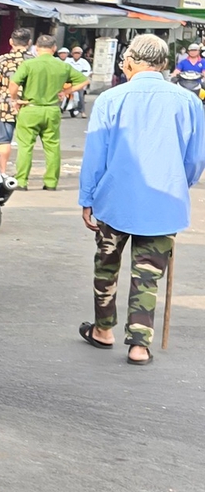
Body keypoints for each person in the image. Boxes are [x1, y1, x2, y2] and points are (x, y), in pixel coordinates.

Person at [77, 34, 205, 366]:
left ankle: (103, 330)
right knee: (147, 275)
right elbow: (195, 159)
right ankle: (139, 345)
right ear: (163, 64)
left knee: (106, 265)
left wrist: (87, 197)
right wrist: (179, 184)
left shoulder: (110, 99)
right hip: (164, 202)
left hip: (113, 201)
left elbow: (95, 155)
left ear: (132, 61)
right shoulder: (188, 101)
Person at [10, 33, 85, 190]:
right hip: (52, 110)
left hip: (31, 109)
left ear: (36, 48)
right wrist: (66, 92)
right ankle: (51, 183)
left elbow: (14, 84)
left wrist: (15, 99)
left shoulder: (28, 64)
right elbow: (84, 80)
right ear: (54, 48)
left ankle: (22, 181)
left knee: (25, 147)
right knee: (52, 147)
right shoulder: (63, 66)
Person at [0, 27, 32, 180]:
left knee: (3, 140)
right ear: (29, 43)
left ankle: (2, 172)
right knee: (26, 143)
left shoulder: (3, 60)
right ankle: (23, 175)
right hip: (27, 105)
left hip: (5, 105)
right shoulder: (34, 61)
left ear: (11, 42)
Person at [62, 46, 91, 119]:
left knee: (81, 95)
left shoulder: (84, 62)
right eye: (75, 53)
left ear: (81, 54)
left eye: (78, 53)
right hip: (68, 81)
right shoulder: (67, 61)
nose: (76, 54)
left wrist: (80, 78)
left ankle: (83, 112)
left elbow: (87, 72)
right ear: (72, 53)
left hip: (79, 82)